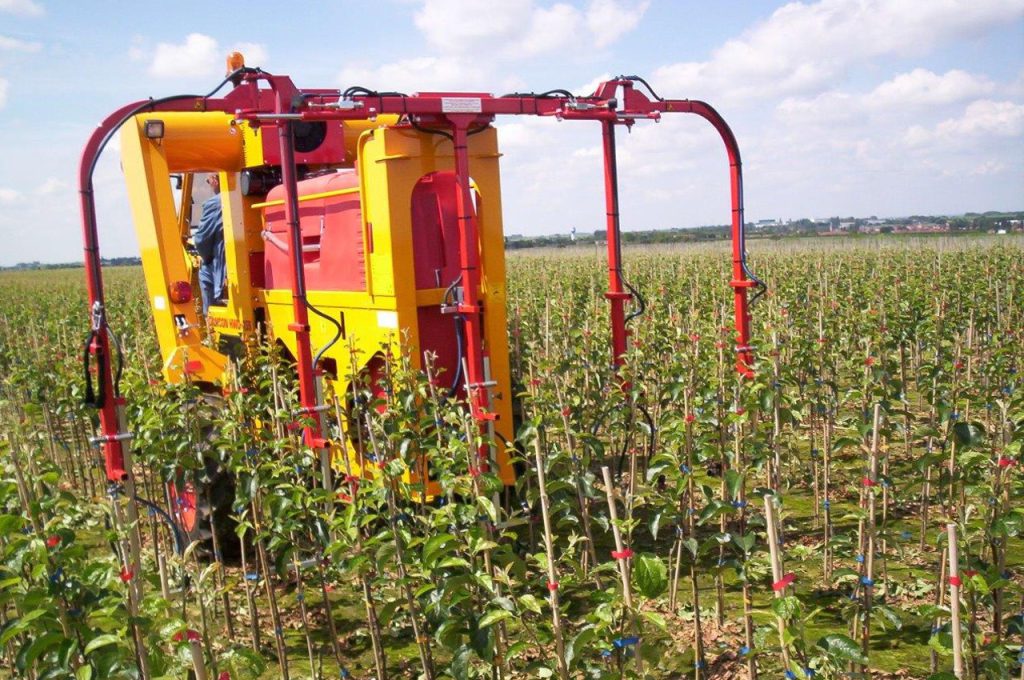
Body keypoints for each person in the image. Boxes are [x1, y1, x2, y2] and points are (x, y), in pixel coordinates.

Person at [193, 173, 226, 314]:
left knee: (204, 269)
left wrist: (206, 258)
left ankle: (211, 318)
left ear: (216, 180)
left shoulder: (215, 204)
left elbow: (201, 240)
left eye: (208, 180)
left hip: (226, 263)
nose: (208, 182)